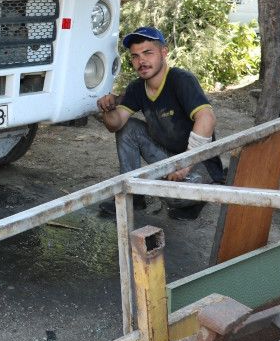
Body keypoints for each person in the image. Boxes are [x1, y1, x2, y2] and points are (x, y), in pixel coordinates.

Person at [96, 27, 224, 220]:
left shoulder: (181, 79)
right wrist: (108, 109)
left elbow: (207, 118)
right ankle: (133, 197)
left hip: (197, 164)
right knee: (128, 128)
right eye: (135, 56)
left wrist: (184, 164)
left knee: (176, 201)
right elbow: (115, 125)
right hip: (167, 160)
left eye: (148, 53)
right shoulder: (137, 87)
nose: (141, 61)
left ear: (164, 52)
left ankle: (194, 199)